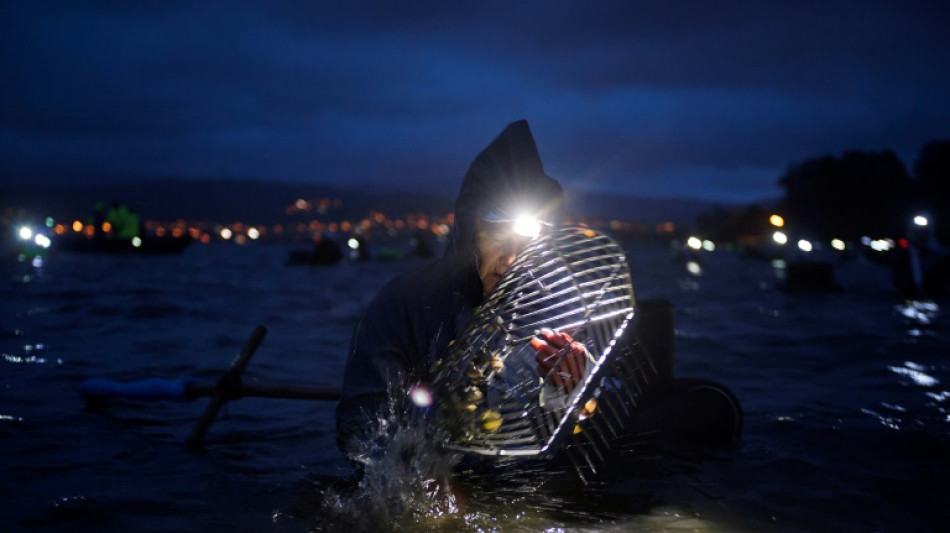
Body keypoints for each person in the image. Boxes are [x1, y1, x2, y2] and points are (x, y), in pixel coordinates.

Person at [335, 120, 588, 465]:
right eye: (498, 236)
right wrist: (427, 477)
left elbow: (573, 442)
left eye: (528, 242)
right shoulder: (404, 304)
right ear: (471, 232)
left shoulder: (554, 313)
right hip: (423, 492)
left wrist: (567, 393)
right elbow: (361, 432)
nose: (512, 259)